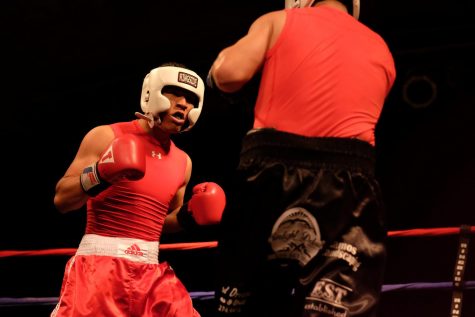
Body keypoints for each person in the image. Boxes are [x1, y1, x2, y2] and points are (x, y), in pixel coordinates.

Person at [206, 0, 396, 316]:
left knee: (247, 300)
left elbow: (229, 74)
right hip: (350, 182)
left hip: (271, 171)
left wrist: (215, 74)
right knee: (336, 305)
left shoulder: (280, 20)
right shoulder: (381, 47)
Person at [51, 62, 226, 317]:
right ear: (151, 92)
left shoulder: (183, 162)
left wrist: (189, 216)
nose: (183, 104)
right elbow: (62, 199)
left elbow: (161, 222)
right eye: (174, 93)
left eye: (190, 99)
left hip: (152, 273)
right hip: (98, 270)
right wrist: (101, 173)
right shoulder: (107, 136)